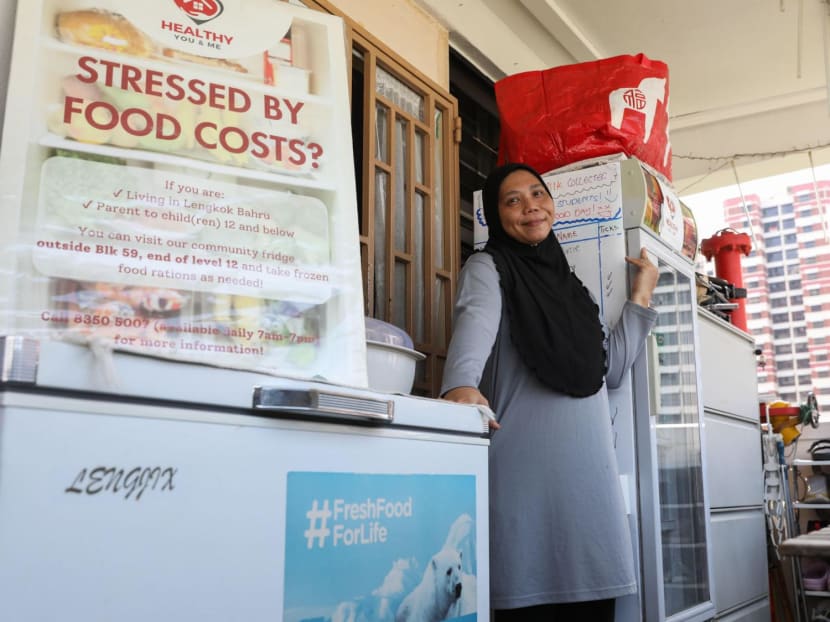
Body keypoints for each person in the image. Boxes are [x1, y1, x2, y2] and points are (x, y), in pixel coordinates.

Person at [441, 163, 659, 621]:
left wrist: (641, 295)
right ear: (496, 216)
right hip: (527, 491)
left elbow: (610, 370)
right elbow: (474, 323)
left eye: (537, 194)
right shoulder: (488, 267)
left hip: (592, 497)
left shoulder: (573, 290)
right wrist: (460, 384)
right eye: (513, 200)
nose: (530, 206)